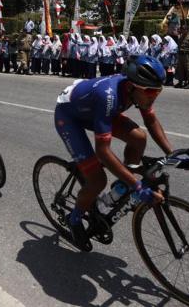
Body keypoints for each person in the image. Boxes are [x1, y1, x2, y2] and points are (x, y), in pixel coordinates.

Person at [54, 55, 180, 251]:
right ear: (131, 87)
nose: (153, 96)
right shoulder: (109, 97)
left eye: (158, 91)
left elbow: (151, 121)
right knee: (97, 181)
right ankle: (74, 218)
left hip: (95, 112)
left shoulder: (139, 90)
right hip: (69, 117)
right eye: (150, 92)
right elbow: (103, 152)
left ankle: (121, 188)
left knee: (139, 138)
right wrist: (138, 187)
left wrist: (174, 154)